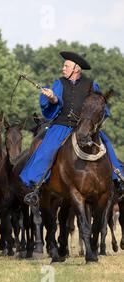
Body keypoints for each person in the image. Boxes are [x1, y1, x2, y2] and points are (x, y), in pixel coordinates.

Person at [20, 51, 124, 205]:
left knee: (107, 145)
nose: (63, 69)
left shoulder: (91, 85)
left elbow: (100, 105)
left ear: (76, 68)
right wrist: (52, 98)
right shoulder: (59, 83)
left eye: (66, 66)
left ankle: (118, 178)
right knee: (47, 149)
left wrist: (95, 123)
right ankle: (37, 187)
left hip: (86, 128)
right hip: (62, 126)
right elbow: (54, 100)